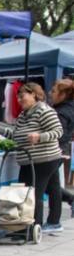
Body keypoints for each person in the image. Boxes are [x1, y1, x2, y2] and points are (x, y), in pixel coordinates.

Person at [0, 82, 64, 234]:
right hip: (30, 159)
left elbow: (58, 131)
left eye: (22, 96)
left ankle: (31, 226)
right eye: (17, 97)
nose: (19, 100)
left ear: (34, 95)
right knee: (51, 189)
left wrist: (39, 136)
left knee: (33, 193)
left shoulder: (44, 111)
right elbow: (16, 135)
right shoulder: (24, 114)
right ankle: (52, 223)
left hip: (44, 158)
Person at [50, 79, 74, 212]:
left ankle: (54, 220)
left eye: (54, 91)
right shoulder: (68, 108)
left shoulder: (61, 112)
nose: (50, 93)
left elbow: (60, 134)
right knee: (52, 184)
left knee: (50, 186)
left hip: (55, 151)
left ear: (63, 94)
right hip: (60, 150)